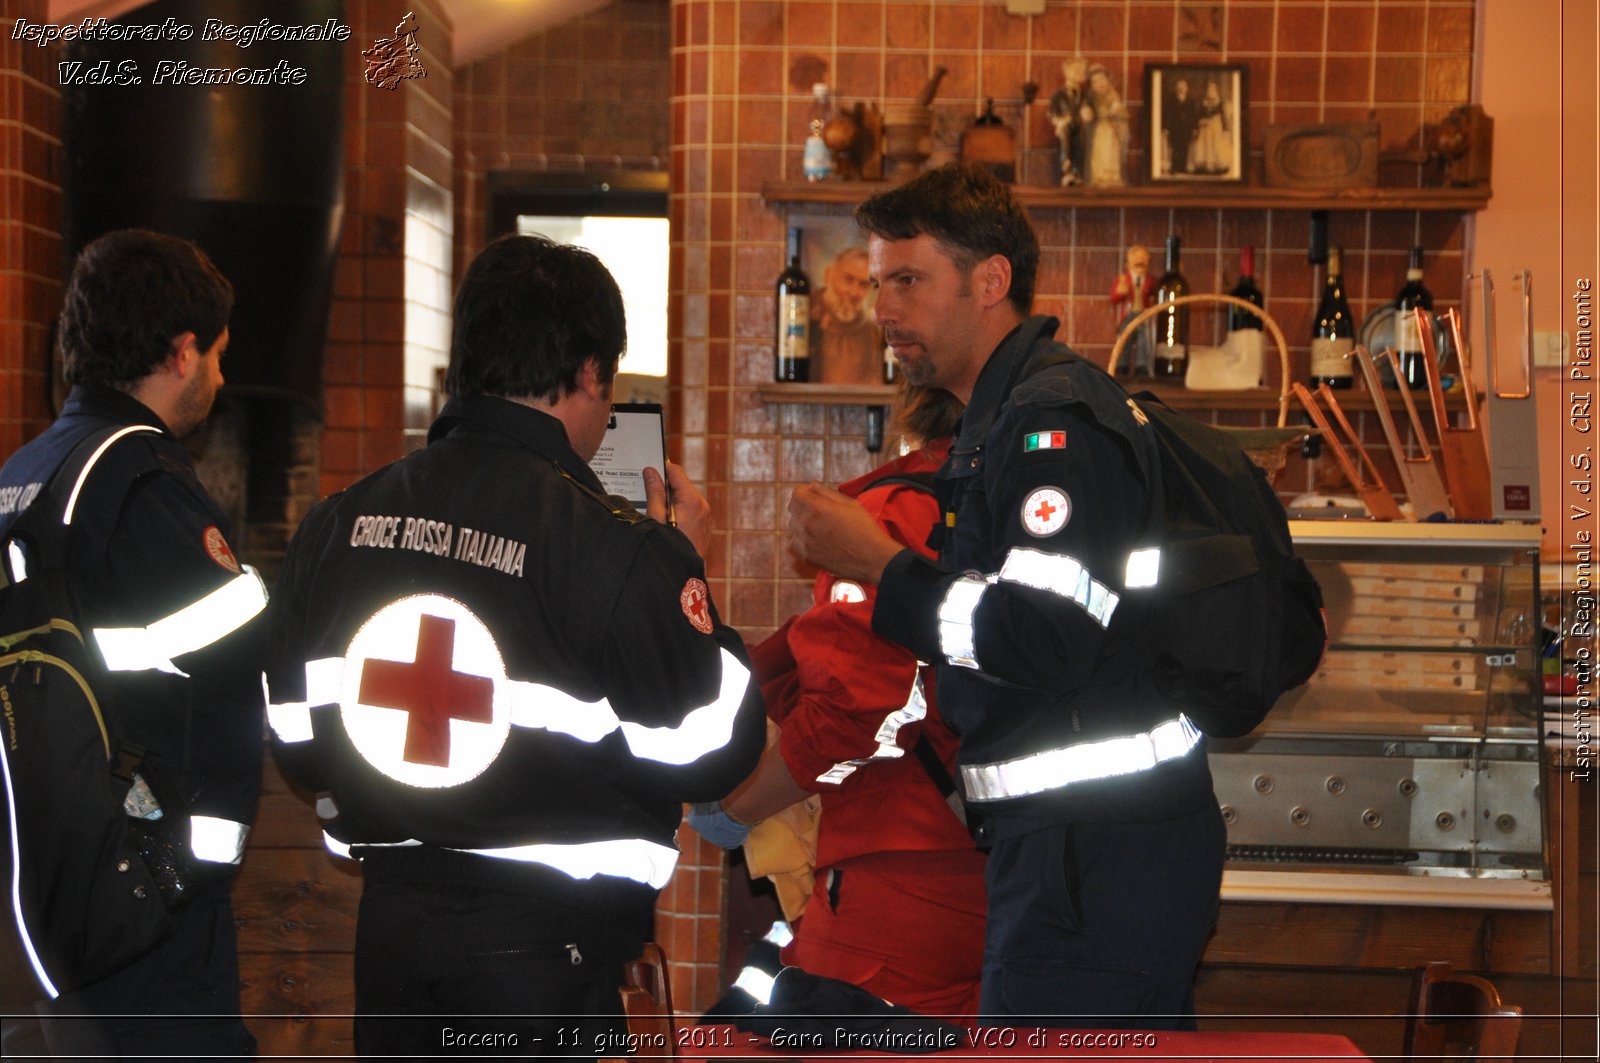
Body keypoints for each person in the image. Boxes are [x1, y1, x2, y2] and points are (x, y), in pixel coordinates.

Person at [264, 233, 765, 1056]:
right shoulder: (613, 545)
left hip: (389, 938)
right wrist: (686, 571)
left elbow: (296, 739)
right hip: (546, 955)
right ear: (592, 372)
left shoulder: (337, 522)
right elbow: (708, 748)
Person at [786, 164, 1225, 1030]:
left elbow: (1042, 637)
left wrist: (881, 565)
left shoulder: (1046, 422)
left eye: (908, 280)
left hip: (1096, 859)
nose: (885, 308)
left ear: (991, 281)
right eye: (879, 283)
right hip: (1071, 846)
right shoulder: (1002, 421)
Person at [0, 230, 266, 1057]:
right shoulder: (142, 484)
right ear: (182, 352)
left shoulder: (24, 471)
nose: (221, 377)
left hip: (38, 892)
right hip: (139, 910)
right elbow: (228, 691)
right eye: (218, 354)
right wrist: (194, 870)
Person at [690, 384, 985, 1021]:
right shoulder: (1024, 507)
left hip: (897, 876)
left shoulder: (883, 515)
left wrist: (736, 811)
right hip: (1006, 874)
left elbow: (850, 720)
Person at [813, 245, 882, 385]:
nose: (854, 292)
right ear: (828, 275)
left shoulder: (869, 331)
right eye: (848, 279)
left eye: (863, 284)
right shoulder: (806, 316)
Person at [1109, 244, 1157, 376]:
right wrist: (1120, 291)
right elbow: (1114, 299)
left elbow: (1157, 296)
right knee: (1125, 337)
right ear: (1128, 262)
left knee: (1144, 339)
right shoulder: (1123, 279)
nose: (1140, 261)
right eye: (1136, 258)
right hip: (1128, 314)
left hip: (1144, 314)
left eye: (1143, 258)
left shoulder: (1151, 281)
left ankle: (1142, 365)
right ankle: (1122, 365)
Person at [1084, 64, 1129, 187]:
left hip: (1111, 129)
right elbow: (1086, 112)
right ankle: (1099, 176)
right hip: (1098, 130)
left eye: (1102, 79)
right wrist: (1086, 112)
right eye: (1095, 81)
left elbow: (1122, 114)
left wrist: (1117, 111)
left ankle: (1112, 176)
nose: (1100, 83)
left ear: (1108, 80)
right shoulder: (1090, 98)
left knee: (1112, 152)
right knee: (1100, 151)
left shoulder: (1113, 96)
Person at [1047, 59, 1088, 187]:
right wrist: (1058, 121)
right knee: (1065, 146)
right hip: (1065, 125)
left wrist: (1088, 113)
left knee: (1079, 146)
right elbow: (1052, 112)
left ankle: (1077, 173)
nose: (1081, 74)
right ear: (1067, 72)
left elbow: (1087, 108)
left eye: (1082, 71)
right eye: (1077, 71)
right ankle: (1066, 172)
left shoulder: (1083, 94)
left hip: (1079, 125)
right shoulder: (1059, 94)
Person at [1190, 79, 1232, 174]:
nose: (1210, 92)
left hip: (1216, 127)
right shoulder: (1203, 103)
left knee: (1216, 146)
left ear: (1216, 91)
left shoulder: (1220, 103)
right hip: (1205, 128)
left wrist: (1225, 129)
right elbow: (1198, 116)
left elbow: (1224, 117)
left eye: (1212, 90)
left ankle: (1218, 166)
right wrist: (1198, 124)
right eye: (1209, 90)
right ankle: (1205, 166)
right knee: (1205, 146)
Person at [1163, 77, 1199, 175]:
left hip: (1187, 127)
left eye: (1183, 86)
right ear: (1176, 88)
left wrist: (1195, 128)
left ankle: (1183, 167)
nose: (1181, 88)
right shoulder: (1171, 99)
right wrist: (1165, 128)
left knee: (1185, 147)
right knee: (1175, 147)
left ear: (1186, 88)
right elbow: (1167, 114)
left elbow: (1194, 115)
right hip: (1174, 127)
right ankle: (1174, 168)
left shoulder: (1191, 100)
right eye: (1179, 86)